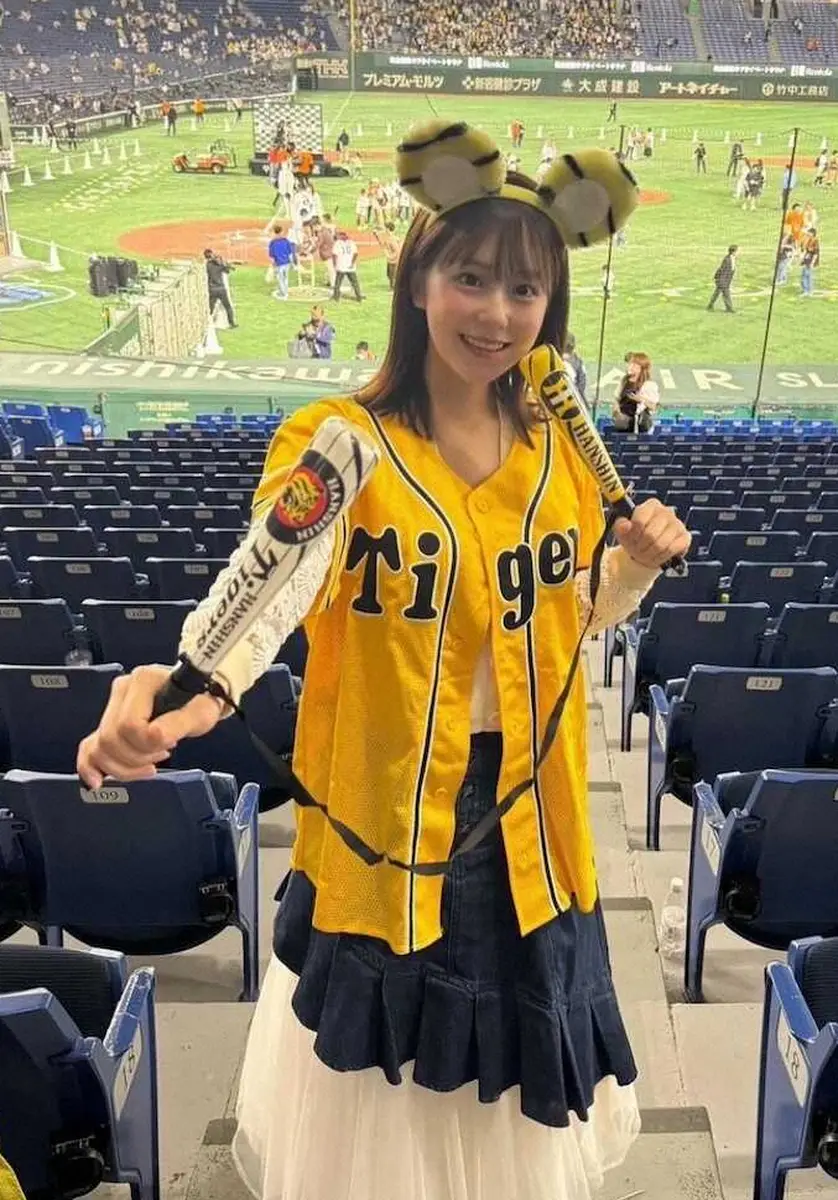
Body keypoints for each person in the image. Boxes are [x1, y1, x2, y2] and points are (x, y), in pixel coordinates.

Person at [77, 116, 689, 1200]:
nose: (496, 314)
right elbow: (262, 601)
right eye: (471, 279)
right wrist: (177, 695)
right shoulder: (342, 443)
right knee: (387, 1129)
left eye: (524, 290)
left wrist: (630, 570)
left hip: (534, 832)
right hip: (388, 831)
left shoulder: (556, 447)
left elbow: (566, 623)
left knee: (508, 1126)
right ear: (417, 282)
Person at [612, 352, 659, 432]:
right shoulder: (624, 380)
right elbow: (617, 398)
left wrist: (640, 399)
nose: (630, 367)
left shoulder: (649, 384)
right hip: (622, 424)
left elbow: (654, 407)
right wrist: (616, 409)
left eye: (634, 365)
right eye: (630, 364)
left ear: (641, 368)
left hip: (639, 427)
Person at [203, 248, 236, 328]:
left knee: (210, 308)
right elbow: (227, 270)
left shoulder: (207, 265)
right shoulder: (219, 264)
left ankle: (206, 323)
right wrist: (223, 262)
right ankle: (232, 323)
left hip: (212, 289)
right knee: (228, 307)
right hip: (221, 289)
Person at [332, 230, 363, 301]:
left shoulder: (337, 243)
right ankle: (359, 297)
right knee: (355, 283)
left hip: (341, 266)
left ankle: (336, 297)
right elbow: (355, 254)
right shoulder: (352, 243)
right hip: (350, 266)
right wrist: (352, 263)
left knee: (338, 283)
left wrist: (334, 264)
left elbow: (334, 255)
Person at [267, 223, 296, 300]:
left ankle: (284, 294)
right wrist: (292, 264)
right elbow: (290, 254)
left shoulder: (272, 243)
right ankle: (285, 292)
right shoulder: (286, 241)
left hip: (279, 264)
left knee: (280, 278)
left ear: (274, 232)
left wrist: (272, 266)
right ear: (281, 231)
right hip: (287, 263)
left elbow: (272, 256)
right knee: (285, 278)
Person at [707, 244, 738, 313]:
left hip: (726, 280)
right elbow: (721, 269)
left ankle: (711, 306)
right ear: (733, 252)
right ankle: (728, 308)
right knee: (724, 294)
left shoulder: (733, 258)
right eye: (737, 251)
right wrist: (717, 277)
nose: (738, 253)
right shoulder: (727, 259)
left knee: (719, 294)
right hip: (722, 280)